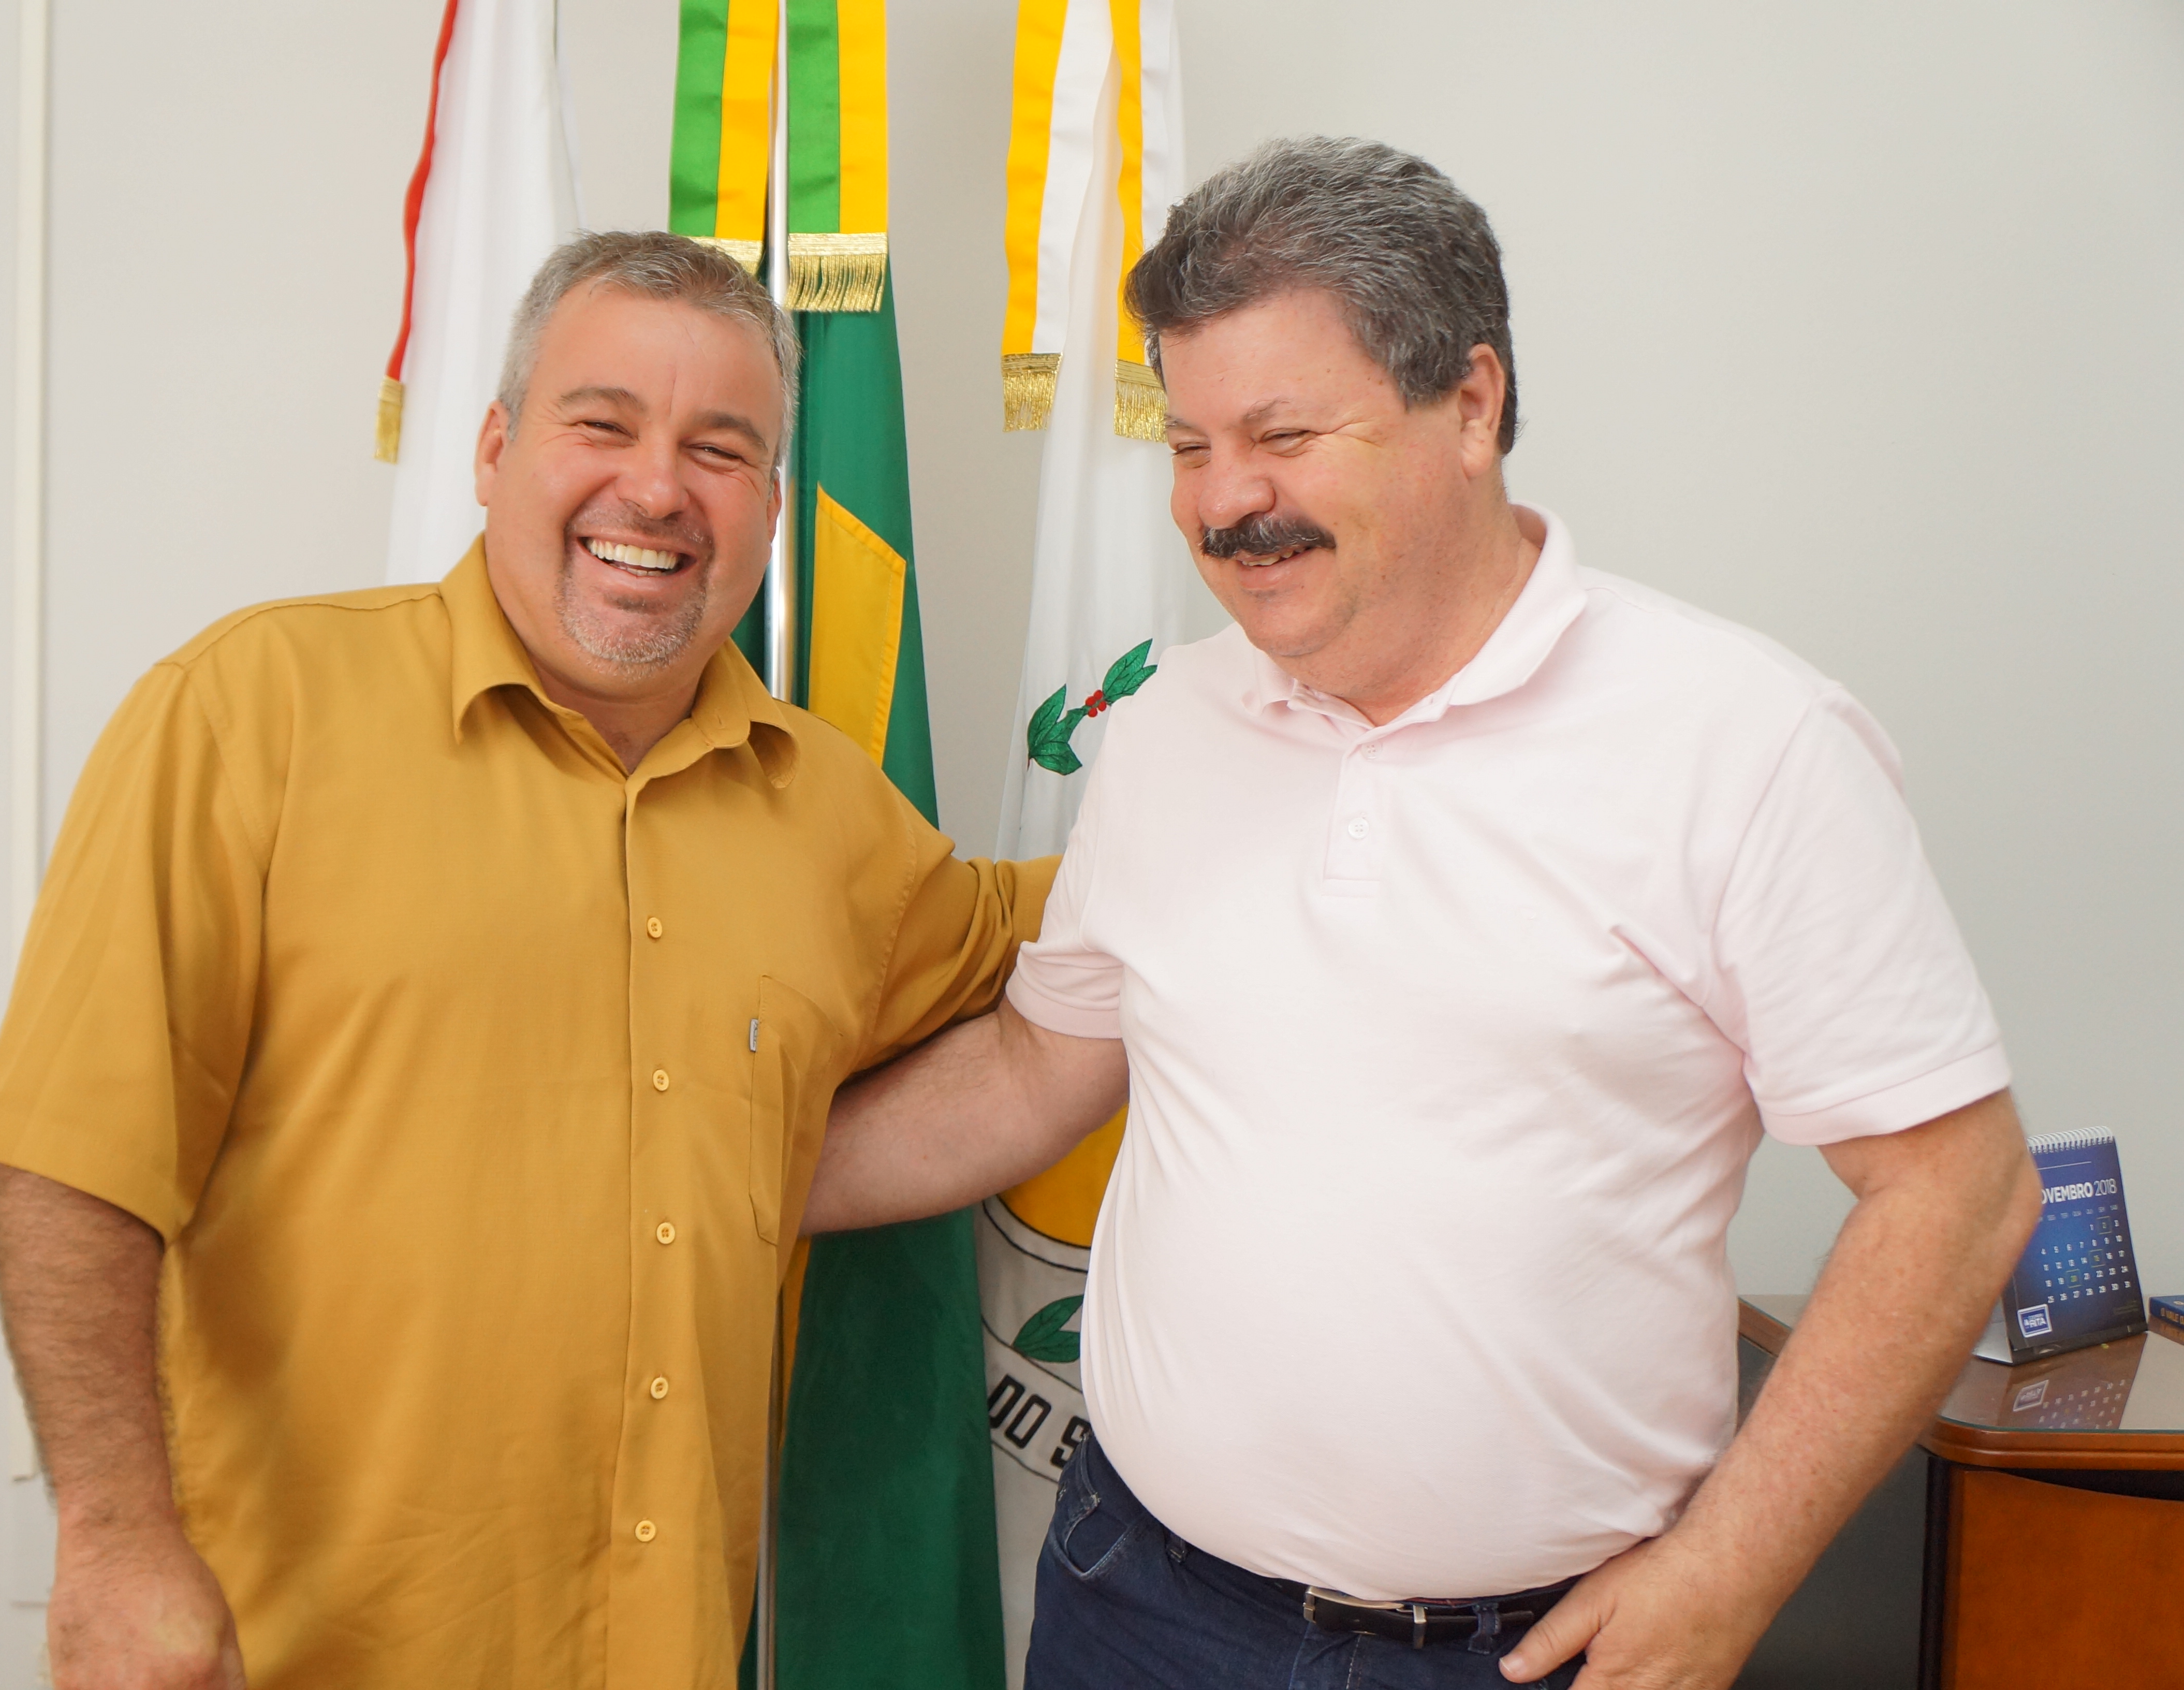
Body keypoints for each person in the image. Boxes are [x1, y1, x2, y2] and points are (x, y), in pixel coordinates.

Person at [803, 137, 2040, 1690]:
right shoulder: (1168, 726)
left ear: (1472, 405)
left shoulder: (1747, 743)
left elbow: (1955, 1192)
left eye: (1282, 436)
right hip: (1134, 1604)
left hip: (1525, 1655)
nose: (1223, 503)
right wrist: (711, 1178)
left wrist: (1730, 1573)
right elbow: (1031, 1073)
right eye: (1188, 445)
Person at [0, 231, 1051, 1690]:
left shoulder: (833, 818)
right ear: (491, 450)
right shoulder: (251, 712)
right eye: (602, 423)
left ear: (772, 508)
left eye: (720, 450)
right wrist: (111, 1540)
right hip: (292, 1653)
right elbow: (72, 1162)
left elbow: (1061, 942)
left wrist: (1270, 765)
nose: (655, 489)